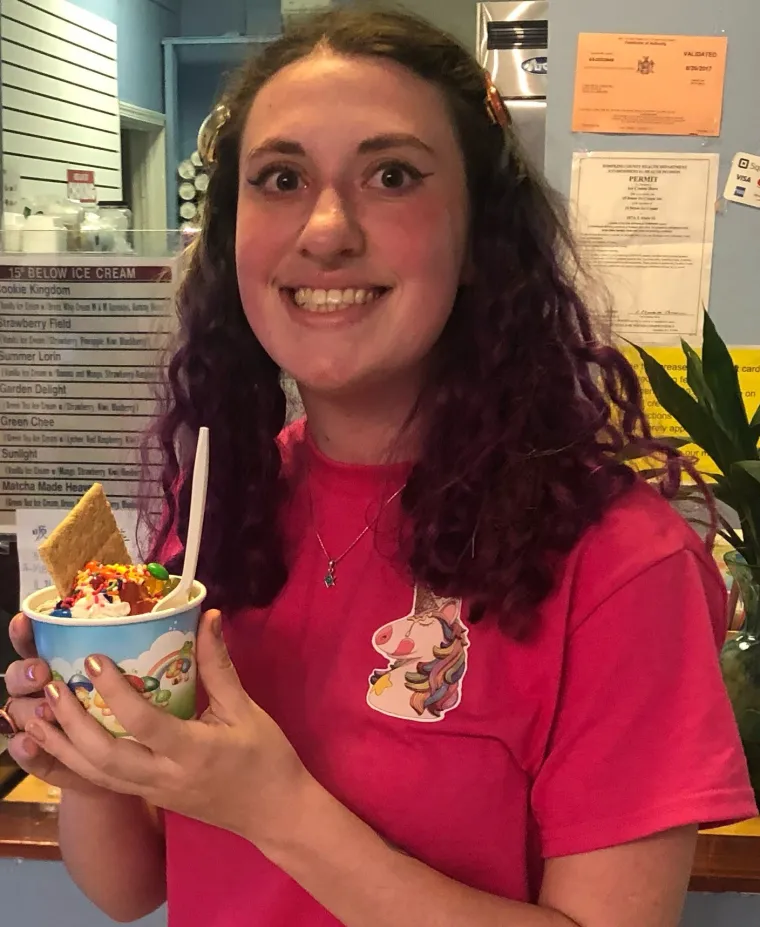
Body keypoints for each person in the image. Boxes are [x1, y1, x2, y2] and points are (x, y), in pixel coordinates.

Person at [2, 7, 756, 926]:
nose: (325, 229)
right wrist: (86, 759)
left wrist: (279, 811)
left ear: (482, 238)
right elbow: (131, 886)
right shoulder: (218, 511)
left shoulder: (619, 564)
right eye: (279, 179)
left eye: (391, 175)